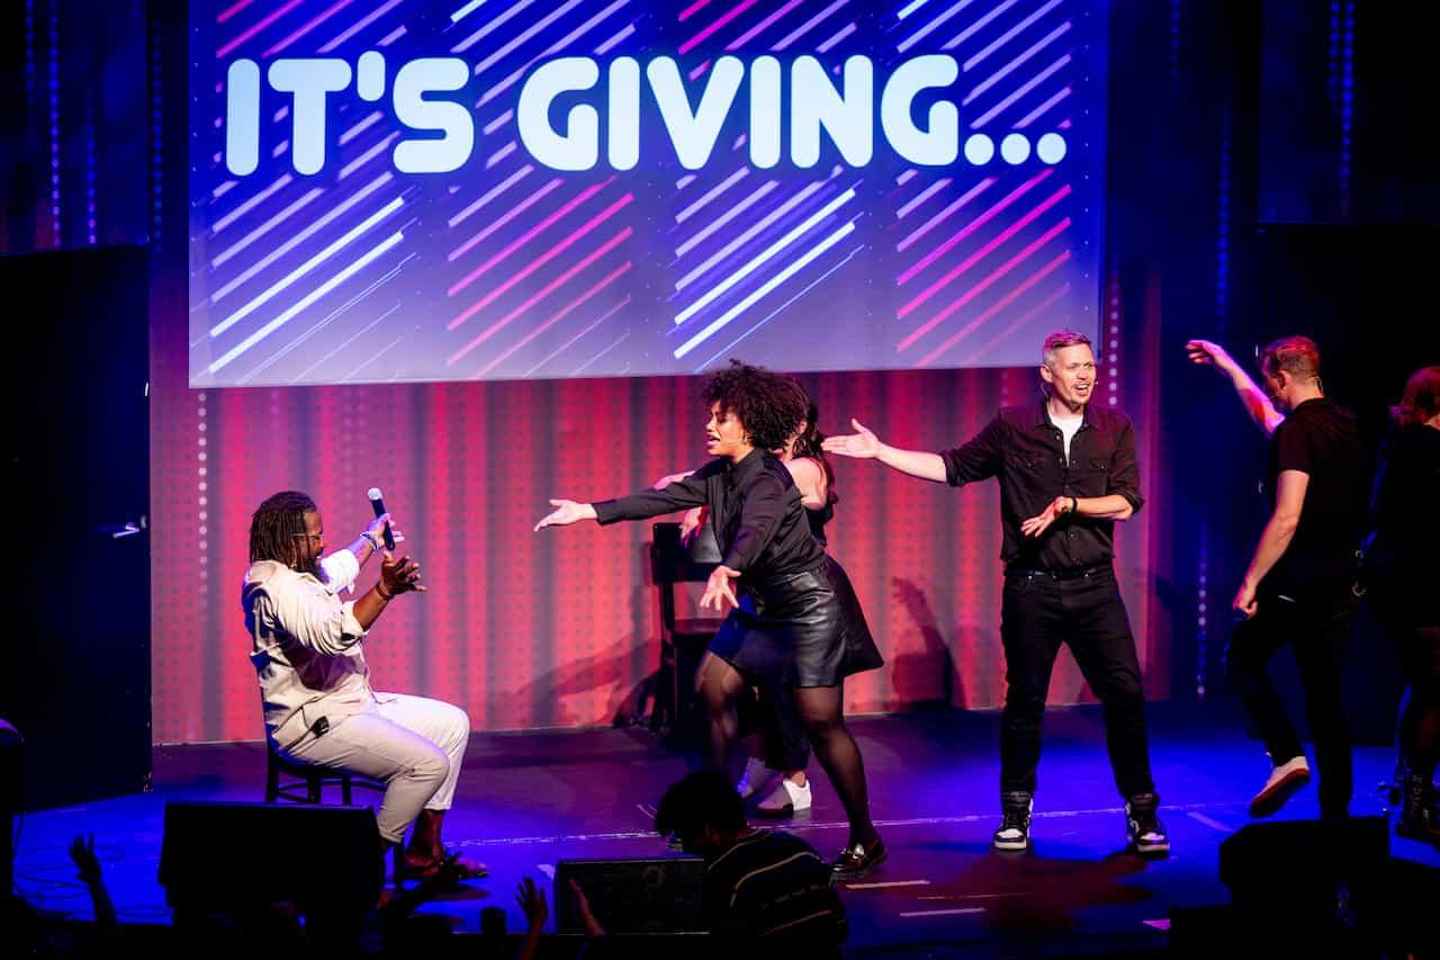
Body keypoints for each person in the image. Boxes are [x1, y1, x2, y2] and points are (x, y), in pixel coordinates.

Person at [825, 330, 1167, 855]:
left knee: (1124, 695)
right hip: (1032, 588)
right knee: (1025, 700)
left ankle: (1142, 812)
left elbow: (1126, 501)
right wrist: (880, 451)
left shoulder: (1113, 427)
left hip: (1096, 587)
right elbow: (952, 467)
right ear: (1047, 374)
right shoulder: (1014, 426)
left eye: (1090, 366)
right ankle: (1015, 812)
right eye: (1073, 367)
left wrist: (1069, 506)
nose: (1085, 376)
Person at [536, 362, 885, 875]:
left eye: (721, 418)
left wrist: (729, 566)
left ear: (751, 425)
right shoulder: (721, 475)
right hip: (762, 604)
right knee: (714, 687)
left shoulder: (770, 477)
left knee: (820, 721)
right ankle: (720, 821)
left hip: (810, 605)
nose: (710, 425)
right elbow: (662, 497)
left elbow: (758, 527)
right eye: (712, 415)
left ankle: (865, 837)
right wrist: (588, 510)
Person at [242, 491, 483, 884]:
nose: (323, 543)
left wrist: (372, 536)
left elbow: (339, 567)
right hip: (312, 726)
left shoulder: (299, 571)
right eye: (315, 536)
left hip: (349, 704)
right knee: (427, 765)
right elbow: (332, 636)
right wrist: (384, 591)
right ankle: (356, 869)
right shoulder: (275, 588)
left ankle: (423, 852)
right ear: (289, 541)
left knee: (451, 724)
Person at [657, 381, 857, 819]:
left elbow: (755, 486)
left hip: (802, 598)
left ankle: (795, 780)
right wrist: (698, 498)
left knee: (792, 693)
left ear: (798, 426)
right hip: (759, 594)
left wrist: (699, 494)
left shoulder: (807, 467)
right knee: (716, 686)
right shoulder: (759, 467)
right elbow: (718, 482)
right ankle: (754, 764)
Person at [1187, 337, 1368, 820]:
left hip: (1299, 582)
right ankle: (1337, 816)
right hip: (1343, 582)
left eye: (1271, 383)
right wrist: (1229, 366)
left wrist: (1250, 582)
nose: (1271, 393)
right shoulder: (1345, 426)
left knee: (1242, 659)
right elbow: (1266, 415)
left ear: (1283, 378)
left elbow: (1287, 517)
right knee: (1326, 699)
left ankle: (1287, 757)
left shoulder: (1296, 433)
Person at [1364, 365, 1440, 844]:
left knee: (1425, 683)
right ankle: (1416, 800)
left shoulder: (1406, 444)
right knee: (1434, 687)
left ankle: (1407, 784)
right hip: (1421, 579)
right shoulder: (1424, 446)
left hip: (1404, 577)